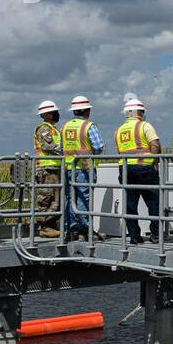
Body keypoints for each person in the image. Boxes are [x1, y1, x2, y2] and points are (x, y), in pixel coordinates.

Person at [115, 95, 164, 244]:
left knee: (130, 203)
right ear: (139, 112)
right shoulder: (145, 126)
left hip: (125, 170)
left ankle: (134, 236)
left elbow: (120, 151)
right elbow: (155, 145)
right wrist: (155, 162)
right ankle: (156, 235)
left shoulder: (119, 130)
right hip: (145, 169)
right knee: (154, 202)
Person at [61, 95, 104, 240]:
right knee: (84, 199)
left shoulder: (65, 127)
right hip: (85, 168)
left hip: (68, 168)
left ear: (74, 111)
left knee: (71, 198)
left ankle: (71, 230)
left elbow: (60, 148)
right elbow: (98, 147)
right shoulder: (88, 126)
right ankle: (85, 230)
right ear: (87, 111)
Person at [32, 99, 62, 237]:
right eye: (53, 112)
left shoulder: (53, 128)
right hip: (46, 167)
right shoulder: (44, 128)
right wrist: (65, 151)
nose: (56, 114)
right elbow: (48, 146)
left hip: (53, 166)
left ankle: (51, 226)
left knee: (56, 198)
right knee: (46, 197)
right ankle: (44, 227)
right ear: (46, 114)